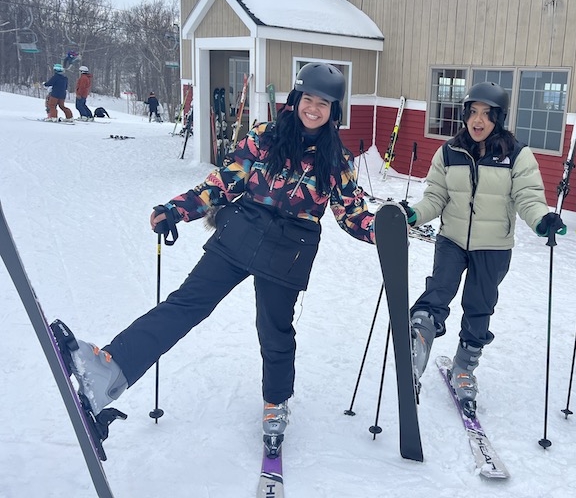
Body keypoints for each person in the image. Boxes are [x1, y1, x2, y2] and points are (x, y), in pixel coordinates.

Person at [62, 63, 375, 453]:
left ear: (334, 110)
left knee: (275, 333)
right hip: (240, 233)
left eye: (323, 103)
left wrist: (385, 231)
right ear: (295, 100)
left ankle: (275, 403)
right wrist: (178, 209)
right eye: (307, 99)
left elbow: (352, 213)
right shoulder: (265, 136)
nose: (313, 108)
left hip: (288, 252)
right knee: (185, 305)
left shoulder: (335, 161)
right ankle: (111, 368)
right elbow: (225, 182)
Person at [400, 81, 563, 416]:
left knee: (479, 306)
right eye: (473, 112)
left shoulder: (517, 155)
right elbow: (435, 197)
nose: (478, 121)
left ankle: (464, 369)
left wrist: (541, 220)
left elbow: (528, 197)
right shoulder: (449, 152)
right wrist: (415, 214)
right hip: (452, 240)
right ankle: (418, 342)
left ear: (499, 118)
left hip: (494, 246)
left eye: (487, 115)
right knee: (439, 290)